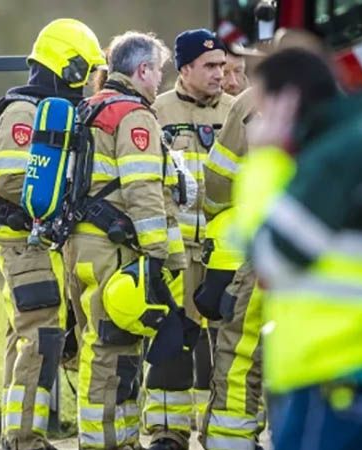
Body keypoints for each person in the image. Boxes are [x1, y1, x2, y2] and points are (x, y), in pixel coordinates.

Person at [239, 47, 362, 450]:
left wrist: (264, 161)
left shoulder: (336, 158)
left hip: (338, 382)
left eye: (262, 104)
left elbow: (270, 258)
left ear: (287, 101)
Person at [0, 18, 104, 450]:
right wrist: (64, 199)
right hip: (20, 243)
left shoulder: (57, 113)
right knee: (38, 337)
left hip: (41, 243)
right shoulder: (23, 112)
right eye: (88, 71)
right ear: (68, 67)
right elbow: (7, 179)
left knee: (30, 336)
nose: (90, 83)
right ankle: (22, 439)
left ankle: (18, 435)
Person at [66, 31, 173, 449]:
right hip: (113, 249)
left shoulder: (88, 108)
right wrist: (158, 253)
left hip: (80, 245)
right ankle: (107, 442)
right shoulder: (134, 115)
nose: (160, 79)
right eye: (158, 70)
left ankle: (116, 440)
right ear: (142, 70)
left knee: (98, 342)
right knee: (114, 351)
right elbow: (143, 189)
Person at [144, 28, 233, 450]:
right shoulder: (156, 111)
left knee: (229, 348)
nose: (221, 73)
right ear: (184, 69)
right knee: (174, 342)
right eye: (210, 66)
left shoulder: (238, 112)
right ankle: (167, 432)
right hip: (177, 251)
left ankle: (223, 433)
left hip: (225, 252)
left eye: (223, 65)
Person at [198, 87, 265, 450]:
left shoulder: (254, 99)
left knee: (242, 346)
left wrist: (223, 221)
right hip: (350, 253)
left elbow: (218, 180)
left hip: (265, 243)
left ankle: (231, 439)